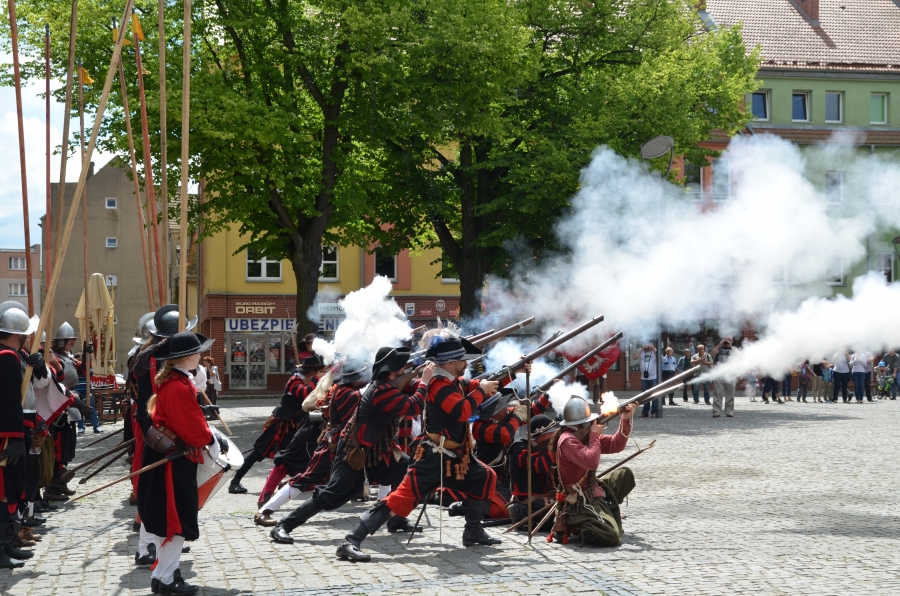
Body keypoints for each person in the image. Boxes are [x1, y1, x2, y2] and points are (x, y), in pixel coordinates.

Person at [333, 337, 502, 561]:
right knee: (398, 501)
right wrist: (481, 391)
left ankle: (473, 531)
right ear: (450, 363)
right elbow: (462, 410)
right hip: (433, 458)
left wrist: (513, 371)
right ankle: (350, 540)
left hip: (455, 457)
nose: (465, 364)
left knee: (486, 476)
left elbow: (480, 386)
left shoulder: (453, 381)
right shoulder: (439, 384)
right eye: (461, 361)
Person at [270, 346, 427, 548]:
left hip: (377, 452)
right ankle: (284, 524)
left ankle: (395, 519)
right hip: (355, 452)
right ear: (392, 370)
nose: (405, 369)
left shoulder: (390, 385)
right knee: (331, 494)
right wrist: (425, 381)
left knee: (407, 472)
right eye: (402, 367)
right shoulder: (381, 390)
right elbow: (414, 406)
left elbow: (411, 388)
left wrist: (420, 377)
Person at [137, 331, 218, 595]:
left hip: (169, 457)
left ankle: (163, 575)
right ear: (187, 357)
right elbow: (194, 429)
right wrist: (210, 438)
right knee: (175, 522)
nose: (199, 355)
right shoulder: (178, 386)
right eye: (196, 352)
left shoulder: (174, 382)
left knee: (169, 522)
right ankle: (168, 579)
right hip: (173, 461)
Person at [254, 357, 369, 526]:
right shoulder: (347, 393)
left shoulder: (345, 389)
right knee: (306, 478)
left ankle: (384, 515)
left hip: (341, 444)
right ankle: (265, 511)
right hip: (332, 444)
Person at [228, 353, 326, 495]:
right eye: (319, 371)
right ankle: (235, 482)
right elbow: (305, 393)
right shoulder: (295, 380)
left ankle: (298, 481)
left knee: (296, 453)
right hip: (280, 424)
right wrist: (319, 379)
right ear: (312, 372)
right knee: (258, 452)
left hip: (295, 424)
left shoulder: (307, 379)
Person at [549, 396, 635, 546]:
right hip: (580, 500)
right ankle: (585, 526)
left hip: (591, 488)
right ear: (581, 425)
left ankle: (604, 511)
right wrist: (595, 434)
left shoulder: (584, 435)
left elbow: (617, 445)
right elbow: (592, 462)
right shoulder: (567, 439)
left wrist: (625, 420)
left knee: (624, 475)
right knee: (612, 536)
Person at [0, 303, 41, 568]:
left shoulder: (13, 356)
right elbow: (8, 402)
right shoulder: (7, 357)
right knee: (5, 492)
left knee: (11, 490)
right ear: (18, 334)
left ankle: (6, 544)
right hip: (5, 436)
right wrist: (14, 437)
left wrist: (29, 362)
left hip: (11, 432)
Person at [710, 336, 738, 418]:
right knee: (717, 393)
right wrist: (719, 345)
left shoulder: (734, 349)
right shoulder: (719, 348)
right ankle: (716, 411)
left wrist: (731, 346)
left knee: (730, 393)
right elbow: (712, 353)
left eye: (729, 340)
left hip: (731, 374)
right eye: (726, 340)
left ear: (732, 341)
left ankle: (729, 411)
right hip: (719, 373)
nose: (727, 341)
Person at [632, 344, 659, 417]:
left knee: (654, 395)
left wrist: (653, 349)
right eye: (646, 345)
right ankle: (645, 412)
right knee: (645, 396)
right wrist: (641, 349)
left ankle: (654, 412)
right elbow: (634, 357)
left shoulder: (655, 351)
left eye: (649, 345)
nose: (648, 347)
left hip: (653, 377)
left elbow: (661, 359)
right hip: (644, 378)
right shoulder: (641, 352)